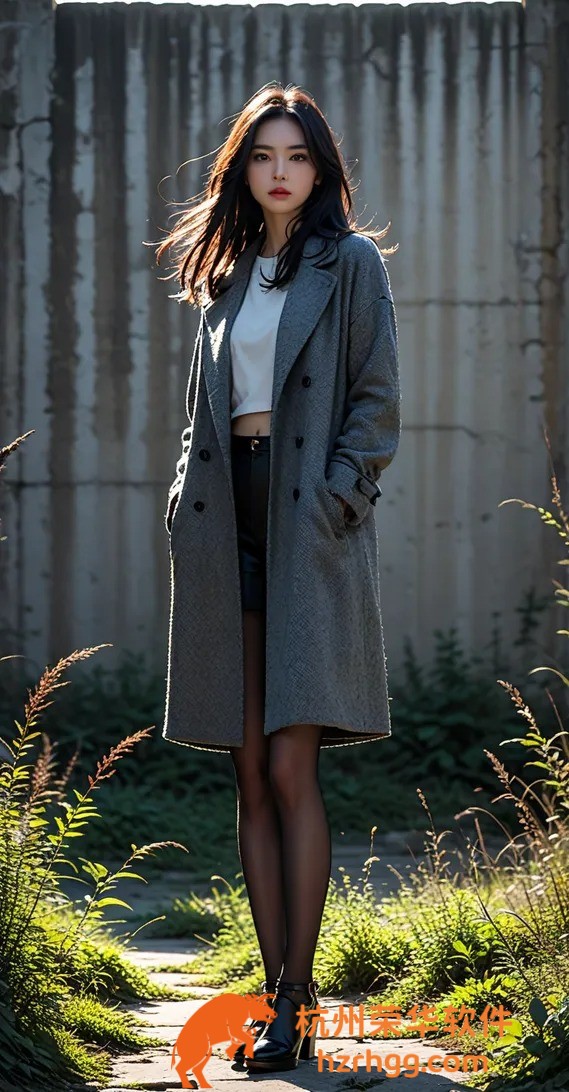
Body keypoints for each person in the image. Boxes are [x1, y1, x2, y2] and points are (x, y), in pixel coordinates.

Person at [151, 80, 401, 1073]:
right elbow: (199, 415)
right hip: (226, 524)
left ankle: (297, 1001)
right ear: (242, 171)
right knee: (247, 769)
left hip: (307, 521)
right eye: (263, 155)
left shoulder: (351, 264)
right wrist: (182, 494)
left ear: (320, 168)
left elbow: (375, 400)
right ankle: (271, 994)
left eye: (296, 155)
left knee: (292, 766)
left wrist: (339, 495)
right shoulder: (224, 273)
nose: (280, 171)